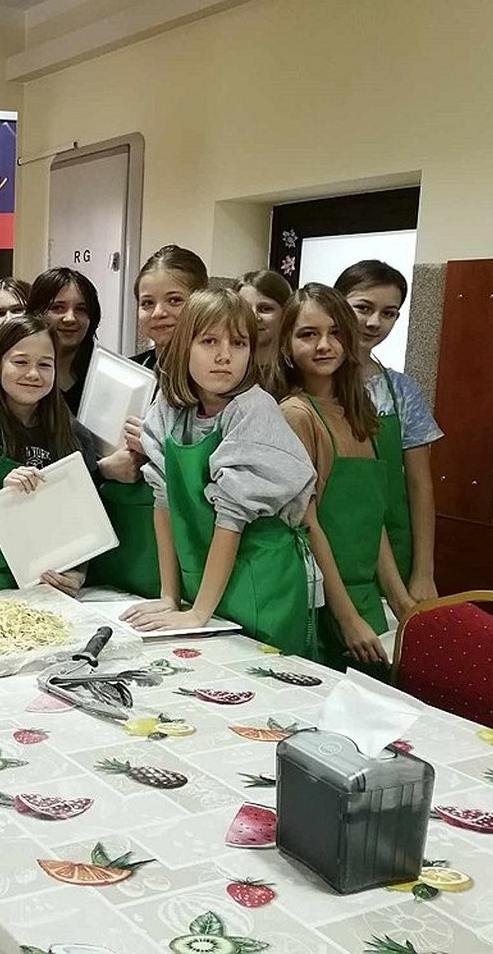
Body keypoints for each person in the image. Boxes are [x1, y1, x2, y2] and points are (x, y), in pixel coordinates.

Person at [122, 288, 318, 659]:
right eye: (209, 341)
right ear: (184, 346)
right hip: (206, 584)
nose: (224, 356)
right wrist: (169, 596)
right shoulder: (170, 407)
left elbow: (231, 519)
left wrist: (198, 614)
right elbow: (163, 500)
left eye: (238, 343)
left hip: (261, 582)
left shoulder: (253, 410)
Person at [277, 284, 415, 672]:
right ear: (287, 345)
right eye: (308, 334)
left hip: (365, 596)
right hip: (322, 603)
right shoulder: (297, 414)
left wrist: (402, 602)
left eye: (335, 332)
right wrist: (347, 617)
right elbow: (308, 524)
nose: (324, 345)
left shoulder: (359, 412)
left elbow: (373, 523)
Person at [0, 316, 97, 593]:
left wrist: (77, 575)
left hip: (51, 590)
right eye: (21, 362)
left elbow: (88, 525)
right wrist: (2, 501)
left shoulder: (75, 438)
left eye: (45, 364)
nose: (33, 374)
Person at [89, 246, 208, 597]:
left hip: (185, 543)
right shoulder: (123, 373)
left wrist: (158, 447)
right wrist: (105, 467)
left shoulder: (216, 384)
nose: (159, 313)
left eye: (175, 300)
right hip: (120, 534)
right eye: (147, 303)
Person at [335, 259, 442, 603]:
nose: (374, 322)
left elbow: (420, 485)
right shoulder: (313, 382)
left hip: (395, 547)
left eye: (388, 313)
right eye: (363, 308)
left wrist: (424, 572)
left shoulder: (401, 391)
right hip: (331, 538)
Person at [26, 268, 101, 414]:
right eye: (58, 307)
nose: (70, 318)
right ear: (36, 313)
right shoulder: (20, 372)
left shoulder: (104, 376)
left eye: (81, 309)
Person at [235, 269, 294, 400]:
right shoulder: (225, 370)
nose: (254, 317)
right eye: (244, 308)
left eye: (265, 309)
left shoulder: (301, 372)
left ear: (286, 313)